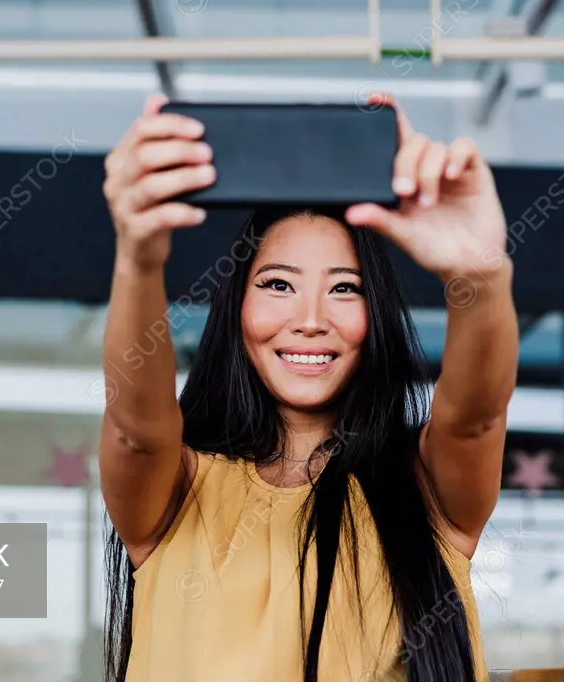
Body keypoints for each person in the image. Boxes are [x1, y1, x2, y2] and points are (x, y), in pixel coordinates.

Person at [99, 92, 518, 682]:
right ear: (236, 307)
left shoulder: (426, 490)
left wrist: (481, 274)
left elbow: (476, 415)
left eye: (345, 289)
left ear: (377, 315)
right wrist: (138, 260)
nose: (311, 318)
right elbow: (136, 430)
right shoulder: (174, 495)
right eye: (277, 285)